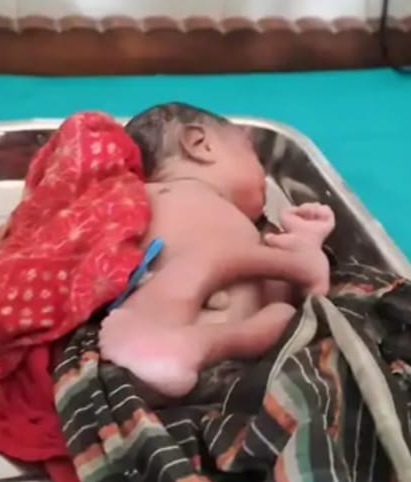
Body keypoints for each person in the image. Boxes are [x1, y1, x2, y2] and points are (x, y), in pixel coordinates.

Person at [98, 102, 335, 398]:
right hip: (150, 324)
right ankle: (164, 346)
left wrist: (304, 240)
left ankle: (193, 347)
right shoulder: (163, 194)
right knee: (206, 259)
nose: (263, 176)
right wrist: (301, 265)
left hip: (206, 365)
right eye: (254, 156)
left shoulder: (245, 227)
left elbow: (278, 290)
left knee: (284, 314)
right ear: (200, 144)